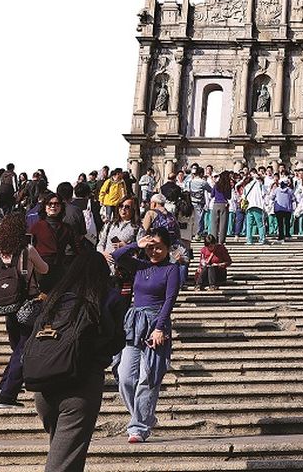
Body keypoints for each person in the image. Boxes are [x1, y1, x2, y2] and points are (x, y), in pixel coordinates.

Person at [31, 242, 126, 471]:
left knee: (64, 454)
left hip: (43, 386)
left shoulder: (56, 297)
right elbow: (116, 341)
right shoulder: (107, 297)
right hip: (81, 384)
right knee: (63, 463)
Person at [111, 228, 179, 443]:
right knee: (125, 377)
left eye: (159, 247)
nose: (154, 251)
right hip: (134, 322)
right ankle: (145, 416)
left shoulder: (171, 269)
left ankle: (138, 427)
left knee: (147, 378)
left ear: (167, 247)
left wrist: (160, 328)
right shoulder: (140, 266)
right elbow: (116, 257)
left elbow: (169, 300)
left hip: (156, 322)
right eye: (151, 247)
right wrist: (136, 245)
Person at [0, 213, 49, 408]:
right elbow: (44, 269)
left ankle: (3, 385)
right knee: (23, 350)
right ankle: (7, 395)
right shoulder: (27, 250)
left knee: (17, 349)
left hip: (7, 307)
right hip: (27, 306)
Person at [30, 193, 76, 290]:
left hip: (60, 269)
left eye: (56, 204)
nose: (53, 206)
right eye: (49, 204)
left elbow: (77, 247)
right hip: (41, 268)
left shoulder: (67, 228)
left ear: (61, 207)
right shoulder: (37, 226)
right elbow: (29, 247)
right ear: (45, 206)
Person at [98, 199, 139, 272]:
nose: (123, 209)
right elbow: (100, 243)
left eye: (127, 207)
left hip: (123, 271)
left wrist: (126, 246)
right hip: (104, 267)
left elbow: (140, 250)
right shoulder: (110, 224)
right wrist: (103, 254)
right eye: (121, 206)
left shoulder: (138, 228)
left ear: (133, 209)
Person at [242, 170, 268, 245]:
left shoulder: (246, 186)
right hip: (258, 206)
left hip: (249, 207)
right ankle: (262, 239)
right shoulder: (259, 184)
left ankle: (249, 240)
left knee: (249, 225)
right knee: (260, 224)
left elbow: (243, 197)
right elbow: (264, 193)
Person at [207, 170, 232, 241]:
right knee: (223, 224)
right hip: (224, 204)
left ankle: (213, 239)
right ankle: (221, 240)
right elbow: (229, 197)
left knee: (214, 223)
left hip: (215, 204)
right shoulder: (227, 185)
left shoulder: (216, 185)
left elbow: (212, 195)